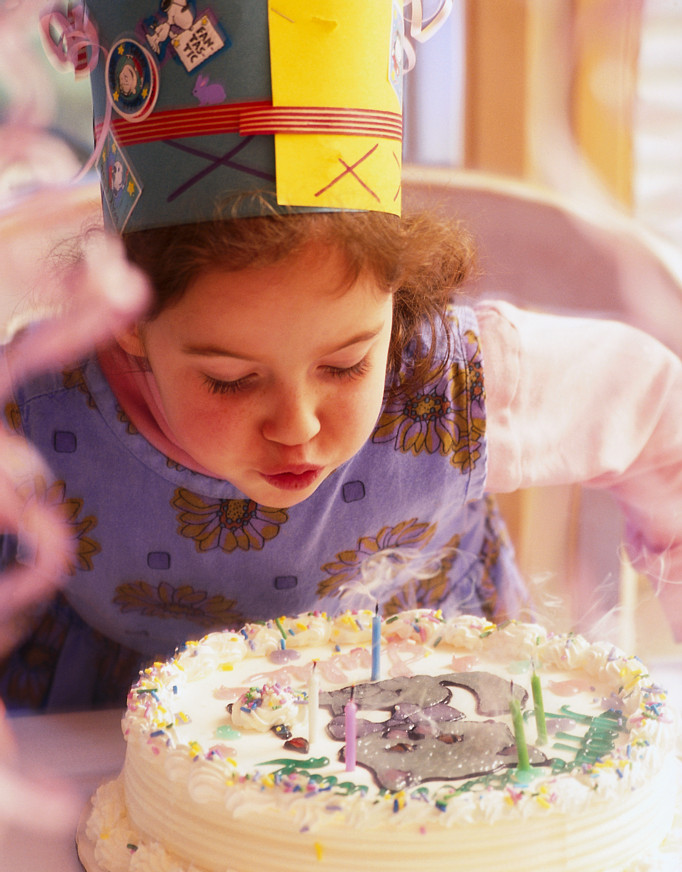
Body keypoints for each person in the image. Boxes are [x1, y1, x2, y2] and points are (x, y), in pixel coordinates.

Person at [1, 0, 681, 710]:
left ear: (394, 298)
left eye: (346, 365)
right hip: (115, 747)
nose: (297, 425)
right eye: (231, 380)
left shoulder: (455, 387)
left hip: (437, 732)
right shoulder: (37, 413)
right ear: (127, 324)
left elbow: (654, 410)